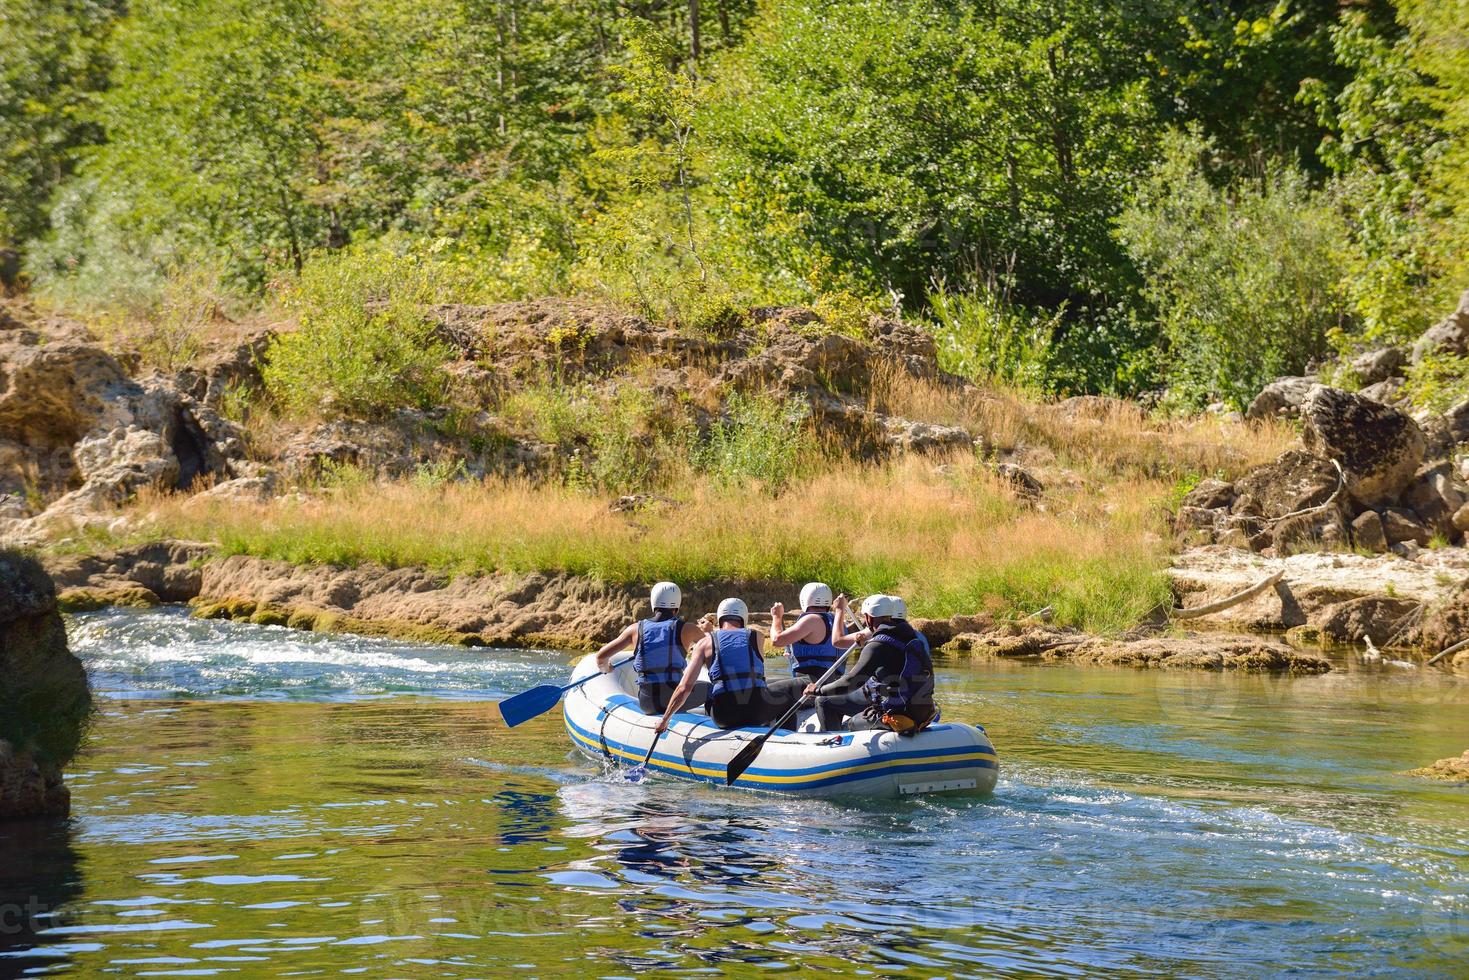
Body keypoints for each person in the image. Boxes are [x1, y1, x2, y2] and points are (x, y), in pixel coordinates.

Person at [655, 597, 807, 732]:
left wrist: (665, 719)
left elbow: (684, 687)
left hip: (724, 715)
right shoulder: (758, 637)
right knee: (787, 701)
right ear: (744, 618)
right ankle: (784, 738)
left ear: (720, 619)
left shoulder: (704, 643)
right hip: (757, 711)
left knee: (709, 692)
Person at [804, 594, 937, 734]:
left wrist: (818, 690)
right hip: (922, 711)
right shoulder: (910, 637)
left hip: (897, 714)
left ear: (869, 618)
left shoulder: (877, 645)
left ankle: (833, 745)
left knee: (824, 702)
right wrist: (868, 645)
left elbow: (851, 682)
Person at [595, 581, 709, 715]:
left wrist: (607, 668)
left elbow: (601, 657)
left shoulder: (635, 629)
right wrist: (708, 632)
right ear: (677, 606)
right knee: (712, 690)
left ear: (653, 604)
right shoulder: (689, 629)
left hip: (647, 703)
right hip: (673, 700)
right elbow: (713, 649)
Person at [768, 582, 856, 682]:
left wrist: (776, 617)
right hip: (833, 682)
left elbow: (776, 640)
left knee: (765, 686)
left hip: (813, 683)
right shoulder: (836, 621)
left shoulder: (811, 620)